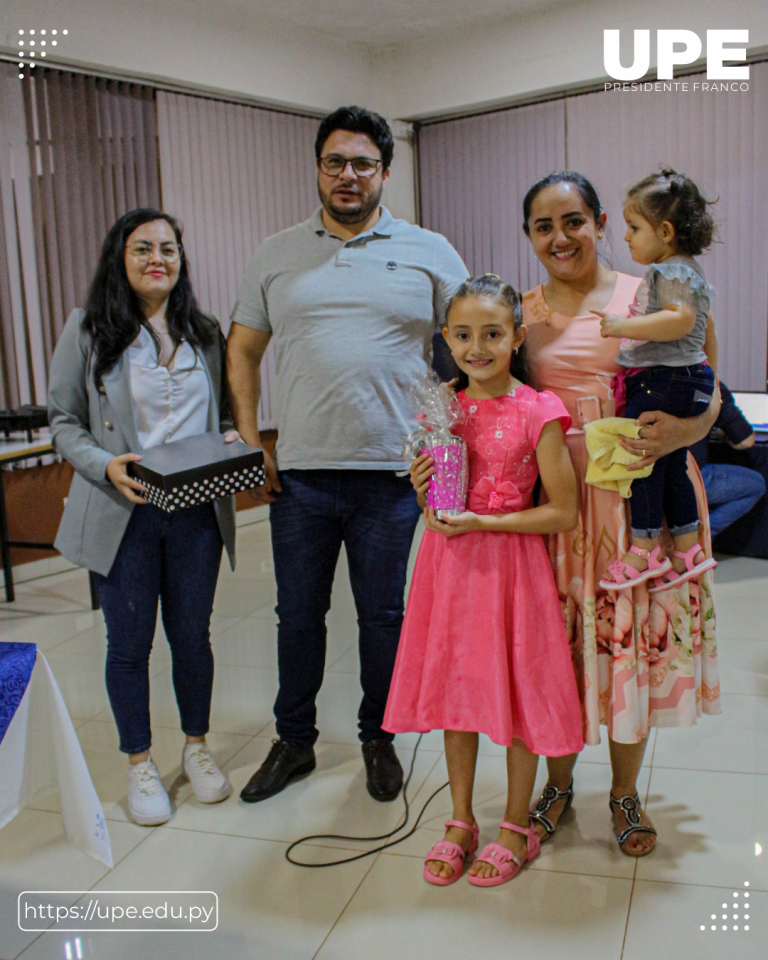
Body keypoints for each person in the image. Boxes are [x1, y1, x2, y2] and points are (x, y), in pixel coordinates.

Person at [226, 106, 468, 804]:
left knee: (382, 616)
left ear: (386, 173)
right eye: (335, 162)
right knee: (296, 616)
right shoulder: (275, 252)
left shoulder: (429, 249)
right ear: (318, 168)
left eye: (364, 164)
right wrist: (250, 441)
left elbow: (479, 333)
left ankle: (378, 737)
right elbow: (242, 350)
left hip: (394, 475)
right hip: (299, 473)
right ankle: (294, 741)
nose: (348, 176)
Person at [519, 171, 721, 857]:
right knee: (561, 645)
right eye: (544, 226)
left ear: (602, 222)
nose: (560, 237)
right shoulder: (522, 312)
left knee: (632, 644)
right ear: (530, 238)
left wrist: (685, 435)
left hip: (643, 494)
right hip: (562, 500)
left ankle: (624, 792)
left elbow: (711, 391)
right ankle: (557, 782)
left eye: (573, 220)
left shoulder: (657, 290)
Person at [385, 275, 582, 887]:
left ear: (517, 336)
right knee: (457, 693)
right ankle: (461, 818)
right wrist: (427, 497)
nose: (478, 347)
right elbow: (436, 509)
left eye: (493, 334)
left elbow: (564, 512)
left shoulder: (538, 410)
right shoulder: (442, 409)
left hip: (513, 574)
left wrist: (488, 519)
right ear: (446, 338)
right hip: (451, 574)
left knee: (518, 697)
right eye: (464, 335)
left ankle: (515, 824)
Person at [48, 209, 236, 826]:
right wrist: (106, 466)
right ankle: (140, 762)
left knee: (192, 636)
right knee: (128, 645)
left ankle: (198, 748)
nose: (158, 258)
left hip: (195, 510)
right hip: (123, 510)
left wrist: (233, 440)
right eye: (142, 248)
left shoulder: (204, 331)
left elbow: (224, 415)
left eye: (169, 248)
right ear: (119, 257)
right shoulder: (89, 329)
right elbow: (64, 423)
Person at [595, 169, 717, 593]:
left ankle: (644, 548)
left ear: (665, 232)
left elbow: (680, 320)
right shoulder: (683, 269)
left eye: (633, 227)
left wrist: (623, 325)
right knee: (671, 465)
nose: (625, 238)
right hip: (688, 378)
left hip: (666, 378)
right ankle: (687, 547)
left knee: (641, 464)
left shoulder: (672, 272)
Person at [690, 381, 766, 536]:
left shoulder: (651, 381)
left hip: (646, 474)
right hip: (690, 476)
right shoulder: (709, 385)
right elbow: (745, 441)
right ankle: (698, 538)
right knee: (756, 485)